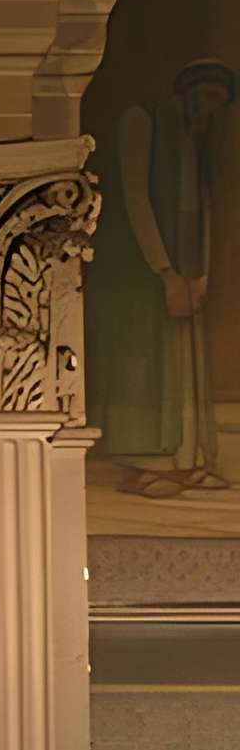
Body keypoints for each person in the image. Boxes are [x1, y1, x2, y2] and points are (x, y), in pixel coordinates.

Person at [91, 59, 236, 497]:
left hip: (185, 268)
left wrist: (200, 274)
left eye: (218, 104)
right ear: (188, 91)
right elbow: (135, 196)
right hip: (138, 271)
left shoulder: (196, 142)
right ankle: (144, 465)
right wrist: (165, 270)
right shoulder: (143, 119)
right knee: (145, 364)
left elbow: (203, 210)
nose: (209, 112)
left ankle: (186, 460)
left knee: (183, 364)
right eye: (207, 98)